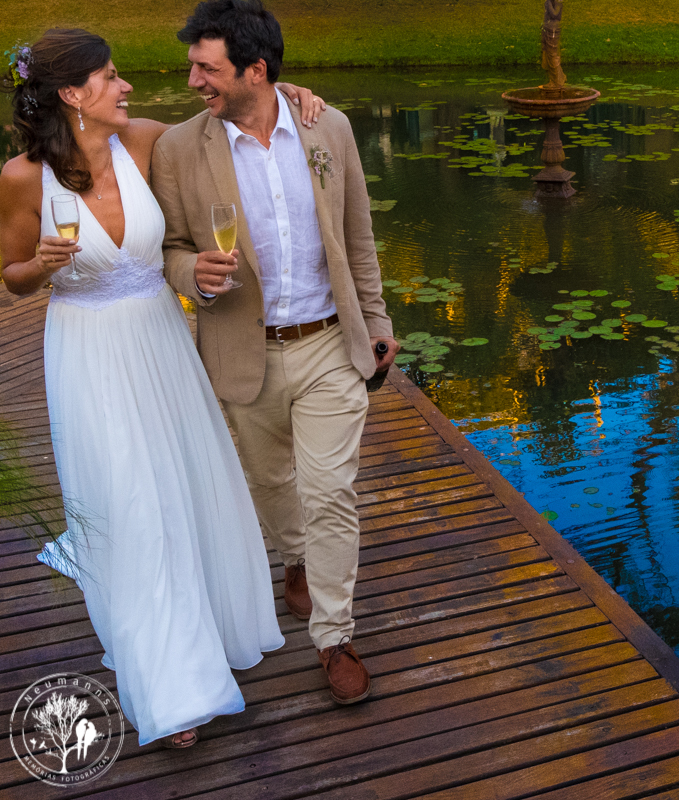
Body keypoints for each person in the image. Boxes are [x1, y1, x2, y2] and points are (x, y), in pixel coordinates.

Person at [0, 28, 325, 749]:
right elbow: (12, 277)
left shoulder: (146, 142)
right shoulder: (22, 179)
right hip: (86, 352)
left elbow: (237, 114)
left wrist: (292, 93)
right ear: (71, 93)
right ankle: (172, 682)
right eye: (112, 77)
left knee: (181, 485)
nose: (127, 88)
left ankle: (208, 626)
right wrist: (43, 265)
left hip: (161, 342)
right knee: (128, 503)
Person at [152, 0, 398, 706]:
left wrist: (376, 321)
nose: (194, 79)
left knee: (330, 491)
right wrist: (187, 273)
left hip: (327, 343)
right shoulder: (176, 149)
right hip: (240, 349)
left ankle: (334, 635)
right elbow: (167, 246)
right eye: (193, 65)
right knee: (271, 483)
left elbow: (357, 238)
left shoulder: (331, 130)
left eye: (207, 67)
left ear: (256, 70)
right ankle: (293, 556)